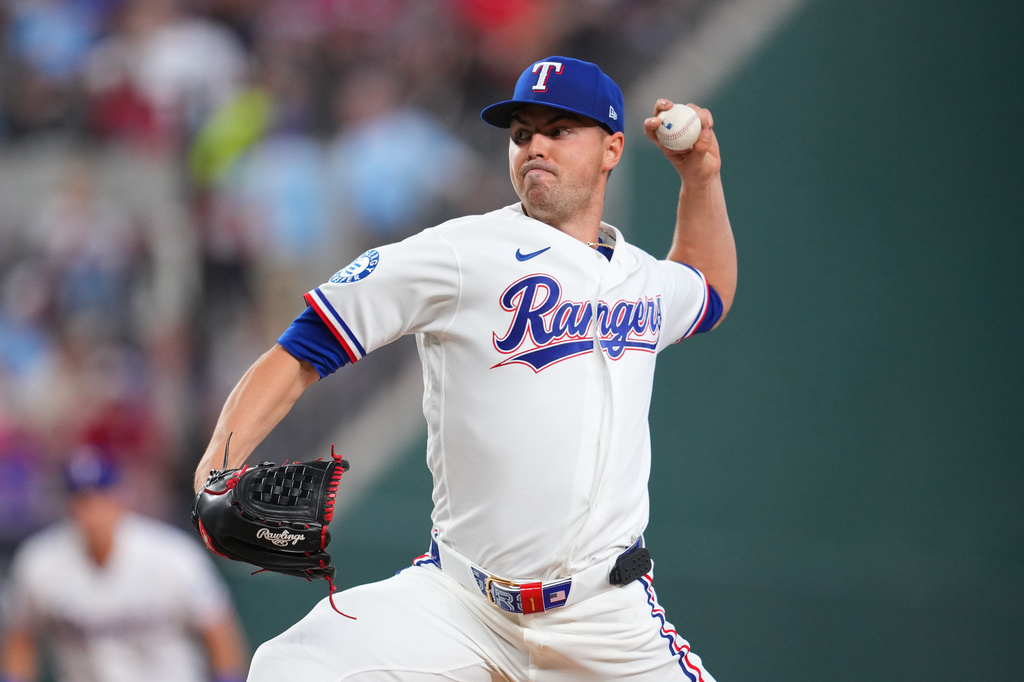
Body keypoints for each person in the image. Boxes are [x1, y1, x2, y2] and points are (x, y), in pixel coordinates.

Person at [193, 55, 737, 681]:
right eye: (521, 133)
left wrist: (700, 176)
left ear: (613, 148)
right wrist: (214, 467)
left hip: (605, 618)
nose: (535, 145)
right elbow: (304, 346)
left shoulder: (640, 278)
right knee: (290, 669)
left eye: (559, 130)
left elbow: (709, 289)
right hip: (461, 604)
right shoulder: (459, 252)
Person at [1, 447, 249, 682]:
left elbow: (219, 634)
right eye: (80, 499)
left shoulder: (172, 555)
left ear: (120, 497)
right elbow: (22, 639)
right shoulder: (40, 562)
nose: (91, 510)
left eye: (100, 497)